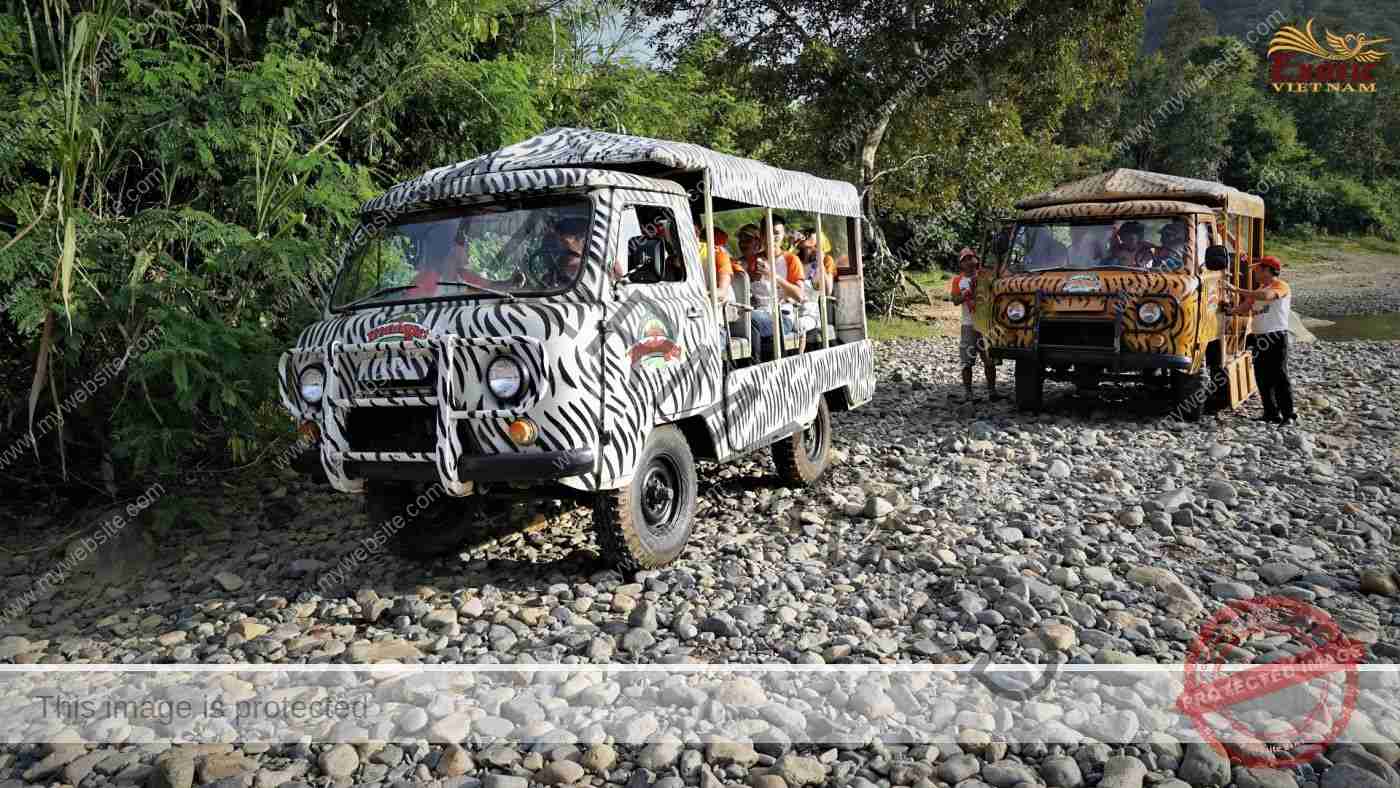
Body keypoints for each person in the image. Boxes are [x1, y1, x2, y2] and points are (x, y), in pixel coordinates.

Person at [1227, 255, 1296, 425]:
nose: (1255, 272)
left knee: (1279, 375)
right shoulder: (1259, 288)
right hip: (1259, 337)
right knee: (1262, 376)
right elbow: (1245, 307)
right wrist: (1229, 311)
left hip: (1276, 336)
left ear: (1268, 270)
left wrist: (1236, 290)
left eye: (1258, 269)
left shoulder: (1280, 286)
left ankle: (1289, 415)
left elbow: (1267, 296)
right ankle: (1270, 413)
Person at [950, 248, 998, 401]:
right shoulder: (958, 280)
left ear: (977, 261)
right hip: (968, 324)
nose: (969, 262)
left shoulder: (985, 276)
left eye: (971, 258)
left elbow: (996, 293)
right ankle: (968, 393)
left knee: (989, 359)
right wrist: (964, 295)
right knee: (967, 361)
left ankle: (992, 392)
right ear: (961, 264)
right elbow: (955, 301)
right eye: (965, 259)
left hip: (985, 323)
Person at [695, 223, 734, 303]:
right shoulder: (677, 260)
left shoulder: (720, 255)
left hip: (721, 308)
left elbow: (722, 292)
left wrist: (700, 296)